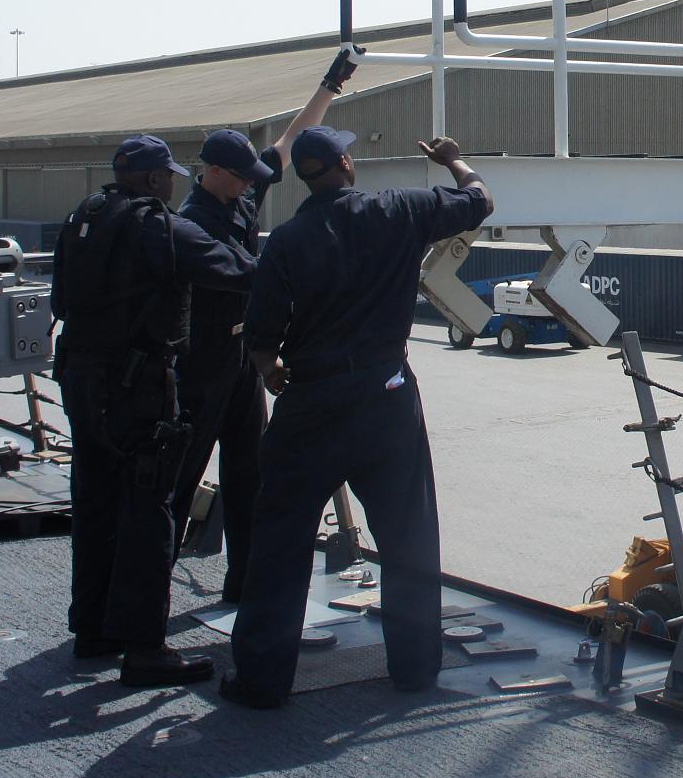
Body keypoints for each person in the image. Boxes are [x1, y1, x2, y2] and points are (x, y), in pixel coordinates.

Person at [220, 125, 492, 709]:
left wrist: (273, 373)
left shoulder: (288, 240)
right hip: (385, 396)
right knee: (408, 537)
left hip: (310, 404)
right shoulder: (399, 209)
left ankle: (262, 681)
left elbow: (262, 337)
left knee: (281, 544)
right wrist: (454, 160)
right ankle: (416, 670)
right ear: (346, 164)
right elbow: (479, 202)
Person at [51, 133, 256, 688]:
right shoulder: (158, 226)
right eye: (165, 175)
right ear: (150, 179)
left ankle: (92, 628)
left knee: (94, 503)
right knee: (150, 510)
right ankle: (145, 647)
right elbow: (236, 272)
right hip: (135, 386)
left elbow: (59, 301)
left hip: (80, 379)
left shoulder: (84, 217)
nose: (172, 183)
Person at [169, 53, 352, 602]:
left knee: (250, 477)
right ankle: (146, 606)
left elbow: (293, 139)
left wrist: (328, 87)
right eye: (241, 176)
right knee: (179, 483)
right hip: (199, 364)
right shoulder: (190, 223)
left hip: (241, 364)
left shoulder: (241, 195)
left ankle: (244, 586)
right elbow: (248, 276)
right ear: (214, 172)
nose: (252, 183)